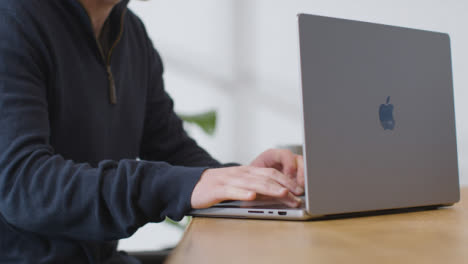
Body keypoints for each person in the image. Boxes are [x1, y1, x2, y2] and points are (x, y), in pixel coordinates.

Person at [0, 0, 305, 263]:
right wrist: (177, 184)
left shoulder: (130, 34)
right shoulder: (12, 21)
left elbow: (172, 150)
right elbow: (24, 186)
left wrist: (248, 185)